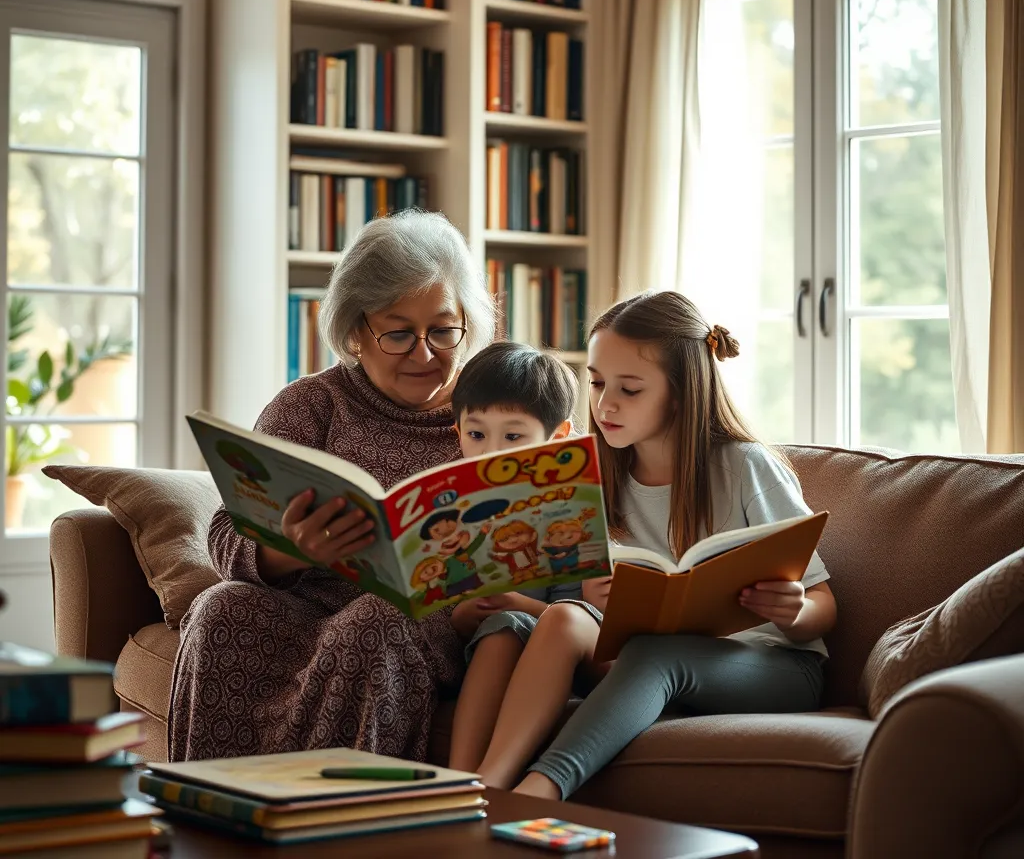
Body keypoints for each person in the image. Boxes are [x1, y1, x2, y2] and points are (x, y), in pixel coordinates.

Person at [168, 210, 496, 762]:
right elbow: (226, 531)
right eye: (397, 333)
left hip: (429, 627)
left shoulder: (499, 408)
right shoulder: (309, 406)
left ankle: (330, 821)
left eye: (442, 330)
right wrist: (288, 550)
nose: (423, 353)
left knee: (376, 622)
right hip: (306, 611)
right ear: (353, 333)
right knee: (221, 608)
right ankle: (214, 806)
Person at [505, 290, 837, 800]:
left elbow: (823, 608)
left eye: (630, 389)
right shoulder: (591, 475)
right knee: (562, 618)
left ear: (681, 392)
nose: (604, 404)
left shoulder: (746, 467)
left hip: (775, 667)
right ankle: (487, 784)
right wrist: (595, 601)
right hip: (645, 656)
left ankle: (542, 788)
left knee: (658, 655)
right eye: (595, 383)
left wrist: (794, 609)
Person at [445, 341, 604, 774]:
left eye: (513, 436)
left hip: (563, 651)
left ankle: (471, 781)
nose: (491, 451)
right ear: (457, 433)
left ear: (557, 438)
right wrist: (464, 614)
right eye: (477, 434)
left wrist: (517, 604)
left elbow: (582, 613)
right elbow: (457, 613)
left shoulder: (575, 508)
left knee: (505, 623)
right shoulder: (455, 512)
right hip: (488, 643)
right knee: (499, 628)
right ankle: (459, 782)